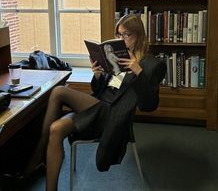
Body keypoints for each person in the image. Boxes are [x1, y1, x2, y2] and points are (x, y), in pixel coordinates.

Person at [24, 14, 166, 191]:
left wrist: (138, 72)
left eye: (126, 35)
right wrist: (98, 75)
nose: (121, 39)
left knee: (59, 91)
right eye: (118, 35)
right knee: (56, 129)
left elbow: (149, 105)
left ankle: (37, 154)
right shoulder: (115, 56)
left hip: (112, 116)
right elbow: (100, 91)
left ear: (138, 35)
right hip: (96, 108)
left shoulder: (151, 64)